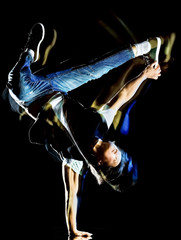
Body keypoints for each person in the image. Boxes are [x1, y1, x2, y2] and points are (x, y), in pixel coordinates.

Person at [7, 23, 163, 237]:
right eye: (122, 153)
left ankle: (30, 52)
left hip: (31, 96)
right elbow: (122, 97)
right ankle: (143, 47)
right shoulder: (101, 125)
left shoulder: (75, 161)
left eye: (116, 159)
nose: (118, 152)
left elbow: (71, 196)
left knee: (15, 83)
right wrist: (145, 75)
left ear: (101, 163)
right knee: (94, 70)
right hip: (57, 88)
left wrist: (73, 231)